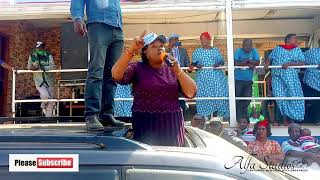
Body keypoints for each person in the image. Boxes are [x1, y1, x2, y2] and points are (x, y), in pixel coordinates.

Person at [112, 31, 197, 146]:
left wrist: (178, 71)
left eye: (161, 46)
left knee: (173, 161)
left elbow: (191, 92)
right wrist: (131, 50)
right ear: (145, 52)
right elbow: (116, 75)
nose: (160, 49)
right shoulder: (137, 68)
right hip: (146, 127)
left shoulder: (173, 69)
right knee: (148, 163)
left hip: (172, 128)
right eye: (154, 46)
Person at [71, 0, 125, 130]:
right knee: (96, 71)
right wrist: (77, 18)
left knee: (113, 74)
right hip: (98, 26)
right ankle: (91, 115)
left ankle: (107, 114)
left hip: (117, 28)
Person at [265, 34, 305, 123]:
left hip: (291, 77)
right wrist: (267, 63)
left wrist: (289, 64)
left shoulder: (297, 50)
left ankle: (293, 118)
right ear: (288, 40)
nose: (296, 40)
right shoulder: (277, 49)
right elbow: (269, 58)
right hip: (277, 76)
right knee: (280, 97)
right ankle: (285, 116)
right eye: (294, 38)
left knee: (293, 96)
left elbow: (302, 62)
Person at [189, 32, 229, 119]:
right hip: (203, 79)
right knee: (203, 97)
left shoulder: (215, 50)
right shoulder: (197, 51)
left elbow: (221, 61)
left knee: (219, 95)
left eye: (204, 39)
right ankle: (204, 117)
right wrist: (196, 66)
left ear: (209, 39)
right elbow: (193, 64)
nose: (203, 41)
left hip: (216, 78)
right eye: (201, 39)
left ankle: (218, 117)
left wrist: (218, 64)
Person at [27, 42, 55, 117]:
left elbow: (52, 67)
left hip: (49, 81)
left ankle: (48, 118)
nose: (39, 49)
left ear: (43, 47)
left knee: (50, 101)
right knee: (45, 96)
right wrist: (31, 68)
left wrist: (40, 68)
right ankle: (43, 104)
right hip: (38, 81)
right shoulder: (32, 55)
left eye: (41, 47)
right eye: (38, 47)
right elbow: (29, 67)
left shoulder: (48, 55)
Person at [234, 39, 260, 119]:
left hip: (248, 80)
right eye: (246, 45)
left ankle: (241, 116)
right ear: (242, 45)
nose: (248, 47)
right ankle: (240, 117)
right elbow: (235, 63)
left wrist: (249, 62)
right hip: (238, 80)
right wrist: (249, 62)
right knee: (237, 99)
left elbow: (257, 62)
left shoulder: (254, 51)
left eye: (249, 45)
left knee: (248, 99)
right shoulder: (238, 51)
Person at [167, 34, 191, 117]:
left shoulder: (183, 50)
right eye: (172, 40)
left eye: (176, 39)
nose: (174, 41)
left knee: (181, 98)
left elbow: (187, 64)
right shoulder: (166, 51)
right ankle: (171, 117)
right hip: (170, 78)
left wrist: (190, 67)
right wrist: (169, 48)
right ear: (169, 42)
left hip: (182, 77)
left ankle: (182, 117)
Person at [303, 48, 320, 125]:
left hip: (312, 81)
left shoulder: (310, 52)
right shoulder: (311, 52)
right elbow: (300, 59)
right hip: (312, 81)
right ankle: (317, 120)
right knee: (315, 101)